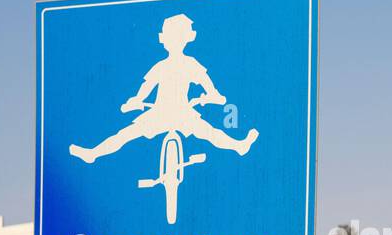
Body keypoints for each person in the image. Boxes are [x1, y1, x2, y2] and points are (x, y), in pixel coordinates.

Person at [69, 14, 258, 163]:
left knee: (211, 133)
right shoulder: (163, 66)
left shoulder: (188, 64)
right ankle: (93, 153)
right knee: (124, 135)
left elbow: (208, 85)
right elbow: (145, 88)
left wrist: (214, 96)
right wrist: (135, 101)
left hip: (174, 113)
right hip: (164, 113)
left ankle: (238, 146)